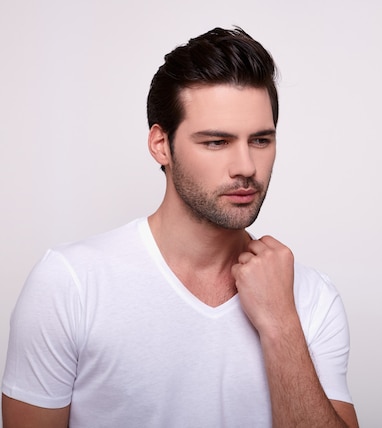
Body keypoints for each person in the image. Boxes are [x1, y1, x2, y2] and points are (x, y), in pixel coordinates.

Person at [1, 27, 358, 427]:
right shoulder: (70, 284)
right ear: (161, 145)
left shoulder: (310, 298)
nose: (246, 167)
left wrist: (280, 327)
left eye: (260, 140)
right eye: (216, 142)